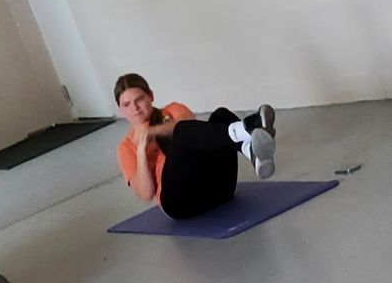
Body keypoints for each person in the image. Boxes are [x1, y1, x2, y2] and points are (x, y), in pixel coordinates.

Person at [114, 74, 278, 221]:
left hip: (221, 189)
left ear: (150, 96)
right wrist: (141, 151)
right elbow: (146, 194)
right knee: (182, 132)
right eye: (126, 104)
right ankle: (248, 132)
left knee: (220, 116)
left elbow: (186, 126)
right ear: (120, 109)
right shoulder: (126, 148)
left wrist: (152, 132)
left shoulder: (173, 110)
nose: (134, 108)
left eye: (139, 99)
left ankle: (250, 149)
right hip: (181, 204)